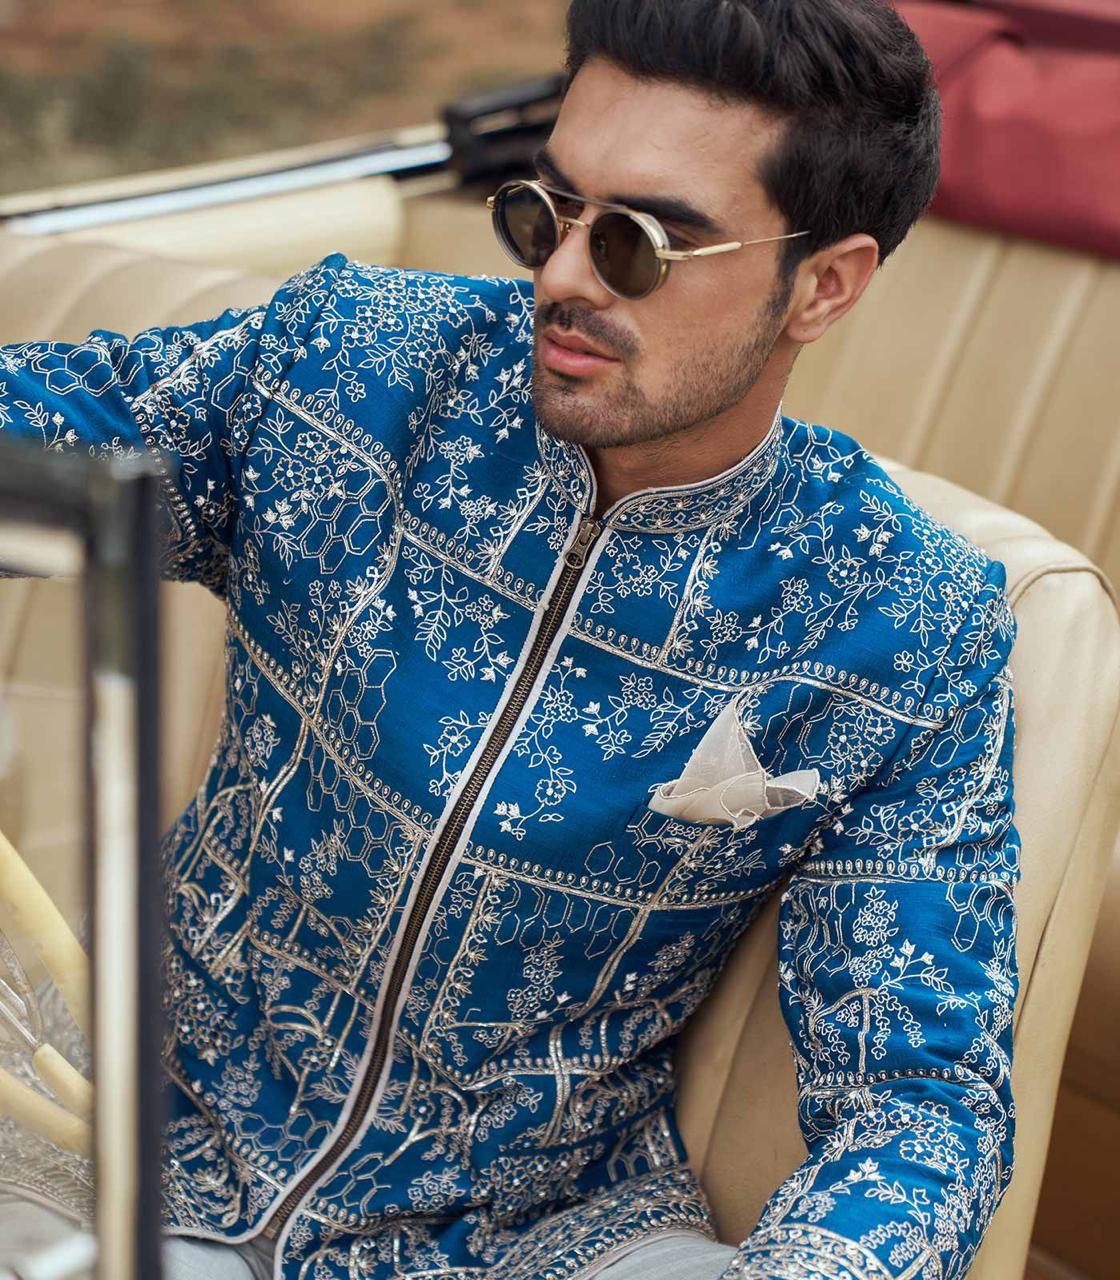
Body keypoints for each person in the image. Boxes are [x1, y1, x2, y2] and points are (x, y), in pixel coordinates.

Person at [0, 1, 1022, 1277]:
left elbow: (918, 1101)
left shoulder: (902, 623)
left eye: (641, 242)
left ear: (823, 283)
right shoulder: (343, 368)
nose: (563, 278)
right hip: (126, 1120)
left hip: (539, 1232)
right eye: (548, 212)